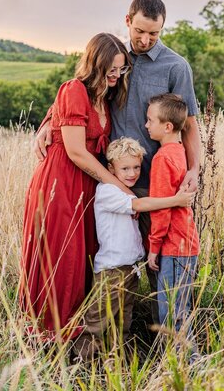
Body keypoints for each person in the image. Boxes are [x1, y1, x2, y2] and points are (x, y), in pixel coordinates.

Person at [35, 0, 200, 322]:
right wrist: (48, 123)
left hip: (157, 181)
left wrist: (194, 168)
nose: (145, 39)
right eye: (140, 31)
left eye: (154, 33)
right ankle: (103, 332)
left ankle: (165, 338)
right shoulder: (116, 58)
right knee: (111, 260)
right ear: (127, 20)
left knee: (160, 260)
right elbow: (82, 89)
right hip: (112, 180)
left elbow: (190, 124)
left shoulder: (176, 67)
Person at [20, 33, 135, 339]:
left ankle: (79, 331)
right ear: (95, 63)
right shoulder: (75, 89)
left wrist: (47, 121)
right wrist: (119, 188)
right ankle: (49, 332)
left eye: (121, 69)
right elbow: (76, 150)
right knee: (60, 254)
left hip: (87, 185)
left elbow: (58, 115)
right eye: (111, 68)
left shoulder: (104, 97)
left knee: (82, 255)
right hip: (61, 179)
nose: (116, 75)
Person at [73, 136, 196, 360]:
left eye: (136, 167)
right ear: (110, 168)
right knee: (97, 322)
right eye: (125, 168)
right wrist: (175, 200)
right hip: (111, 272)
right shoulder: (107, 192)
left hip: (130, 270)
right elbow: (139, 204)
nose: (132, 173)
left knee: (123, 323)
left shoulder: (122, 191)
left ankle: (117, 366)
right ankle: (81, 366)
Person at [146, 94, 200, 358]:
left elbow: (160, 208)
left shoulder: (162, 159)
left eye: (150, 120)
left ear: (167, 127)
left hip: (174, 246)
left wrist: (153, 247)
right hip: (186, 243)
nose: (146, 125)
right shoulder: (179, 152)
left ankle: (191, 368)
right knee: (179, 310)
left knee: (172, 315)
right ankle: (183, 366)